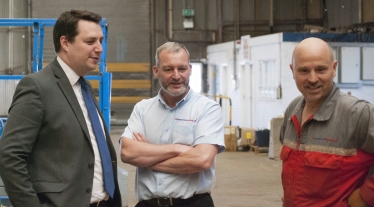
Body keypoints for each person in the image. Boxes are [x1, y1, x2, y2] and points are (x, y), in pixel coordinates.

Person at [0, 10, 121, 207]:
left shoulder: (84, 87)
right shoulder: (37, 87)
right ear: (65, 43)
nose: (99, 48)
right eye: (91, 42)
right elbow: (10, 157)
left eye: (101, 40)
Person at [120, 42, 225, 207]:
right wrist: (178, 149)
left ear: (190, 69)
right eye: (168, 69)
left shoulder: (207, 108)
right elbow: (127, 152)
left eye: (182, 69)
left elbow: (202, 160)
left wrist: (147, 157)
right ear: (156, 71)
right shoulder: (142, 109)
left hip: (193, 203)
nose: (176, 76)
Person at [280, 37, 374, 207]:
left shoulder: (359, 114)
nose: (313, 78)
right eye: (304, 71)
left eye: (321, 69)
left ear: (334, 68)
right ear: (292, 70)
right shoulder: (292, 111)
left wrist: (366, 196)